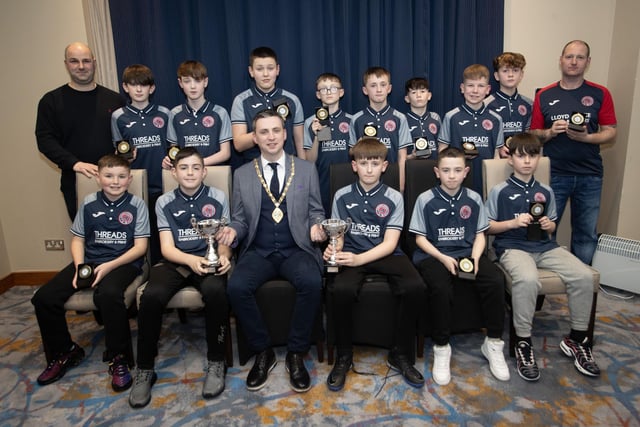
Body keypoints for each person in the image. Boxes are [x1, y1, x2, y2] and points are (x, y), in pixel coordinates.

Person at [217, 109, 326, 393]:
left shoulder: (305, 169)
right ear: (255, 137)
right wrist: (232, 231)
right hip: (259, 250)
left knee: (312, 282)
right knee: (237, 287)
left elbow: (316, 211)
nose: (271, 137)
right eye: (263, 132)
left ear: (285, 133)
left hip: (296, 248)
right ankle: (263, 351)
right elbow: (240, 218)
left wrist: (317, 226)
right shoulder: (242, 174)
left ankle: (295, 353)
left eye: (276, 130)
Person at [486, 133, 600, 382]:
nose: (527, 161)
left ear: (539, 158)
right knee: (527, 279)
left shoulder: (546, 191)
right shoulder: (500, 191)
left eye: (532, 155)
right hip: (513, 247)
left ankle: (577, 339)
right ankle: (523, 342)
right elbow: (488, 227)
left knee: (582, 275)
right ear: (511, 160)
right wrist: (512, 222)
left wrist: (549, 225)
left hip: (546, 247)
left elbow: (552, 224)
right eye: (521, 155)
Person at [31, 154, 149, 391]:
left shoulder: (137, 205)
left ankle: (119, 358)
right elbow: (78, 239)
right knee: (44, 298)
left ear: (129, 179)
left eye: (121, 177)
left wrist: (109, 266)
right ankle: (65, 351)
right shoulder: (88, 202)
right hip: (90, 260)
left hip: (123, 262)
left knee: (108, 294)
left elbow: (140, 247)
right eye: (108, 176)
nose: (115, 182)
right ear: (99, 178)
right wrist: (79, 267)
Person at [129, 147, 232, 408]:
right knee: (151, 296)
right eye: (183, 168)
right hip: (176, 262)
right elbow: (166, 248)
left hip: (207, 260)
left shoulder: (218, 197)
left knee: (216, 292)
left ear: (204, 171)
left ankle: (217, 361)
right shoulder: (163, 201)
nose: (190, 173)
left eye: (195, 168)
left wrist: (223, 255)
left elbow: (224, 238)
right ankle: (144, 368)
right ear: (173, 172)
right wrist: (190, 261)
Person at [325, 137, 425, 391]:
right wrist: (333, 249)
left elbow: (390, 244)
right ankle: (344, 356)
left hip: (386, 254)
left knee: (415, 287)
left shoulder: (393, 197)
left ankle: (400, 353)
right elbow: (337, 236)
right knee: (340, 290)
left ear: (384, 166)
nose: (369, 169)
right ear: (354, 166)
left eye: (374, 163)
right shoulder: (342, 195)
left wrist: (359, 259)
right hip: (353, 252)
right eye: (363, 163)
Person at [408, 147, 508, 386]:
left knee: (495, 279)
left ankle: (493, 343)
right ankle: (442, 347)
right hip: (434, 255)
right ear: (437, 172)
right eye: (446, 170)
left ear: (465, 172)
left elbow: (480, 234)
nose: (451, 176)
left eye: (456, 170)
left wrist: (475, 259)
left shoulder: (473, 198)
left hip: (466, 253)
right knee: (441, 287)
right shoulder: (426, 199)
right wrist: (442, 258)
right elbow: (420, 239)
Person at [530, 40, 617, 265]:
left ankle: (582, 283)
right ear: (561, 60)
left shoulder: (600, 93)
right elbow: (534, 135)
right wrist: (550, 132)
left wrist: (587, 138)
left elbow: (610, 132)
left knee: (586, 235)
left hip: (590, 175)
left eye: (579, 57)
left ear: (587, 62)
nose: (573, 61)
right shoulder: (544, 94)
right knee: (546, 230)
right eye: (569, 57)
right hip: (555, 175)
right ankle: (545, 285)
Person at [36, 42, 125, 220]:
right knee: (85, 240)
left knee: (121, 238)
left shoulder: (114, 100)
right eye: (74, 61)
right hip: (76, 181)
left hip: (114, 181)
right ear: (66, 64)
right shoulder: (51, 101)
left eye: (86, 61)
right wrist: (75, 164)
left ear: (94, 62)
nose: (81, 66)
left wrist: (127, 152)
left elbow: (125, 137)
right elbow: (45, 140)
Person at [111, 64, 170, 265]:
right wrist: (125, 159)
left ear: (151, 88)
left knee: (162, 233)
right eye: (133, 85)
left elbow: (174, 148)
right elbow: (117, 154)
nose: (138, 90)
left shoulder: (164, 114)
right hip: (135, 187)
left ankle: (162, 271)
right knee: (139, 236)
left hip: (162, 184)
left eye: (143, 85)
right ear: (125, 87)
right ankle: (142, 273)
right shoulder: (118, 116)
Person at [230, 46, 305, 169]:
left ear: (277, 70)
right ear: (251, 71)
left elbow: (299, 143)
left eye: (270, 68)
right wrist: (265, 129)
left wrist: (303, 169)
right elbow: (238, 144)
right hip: (253, 167)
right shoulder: (241, 101)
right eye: (259, 69)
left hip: (288, 166)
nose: (265, 74)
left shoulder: (292, 100)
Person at [438, 64, 504, 195]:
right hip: (458, 180)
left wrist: (494, 180)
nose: (475, 91)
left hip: (485, 179)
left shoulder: (496, 119)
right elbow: (442, 149)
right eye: (470, 85)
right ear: (462, 88)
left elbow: (497, 154)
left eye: (480, 86)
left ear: (488, 89)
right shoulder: (451, 116)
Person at [349, 67, 412, 192]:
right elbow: (351, 153)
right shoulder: (356, 119)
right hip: (365, 179)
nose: (378, 90)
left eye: (383, 85)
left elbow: (402, 156)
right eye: (373, 85)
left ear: (389, 88)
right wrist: (359, 145)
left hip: (392, 176)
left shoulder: (399, 118)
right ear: (365, 90)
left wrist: (401, 184)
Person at [162, 60, 232, 169]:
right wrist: (169, 162)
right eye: (187, 81)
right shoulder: (175, 114)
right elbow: (174, 152)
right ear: (180, 83)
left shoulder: (220, 113)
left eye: (197, 81)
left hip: (213, 173)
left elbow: (225, 153)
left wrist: (196, 164)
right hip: (186, 175)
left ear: (205, 82)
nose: (193, 86)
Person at [303, 72, 352, 214]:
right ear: (318, 95)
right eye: (324, 89)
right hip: (321, 183)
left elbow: (355, 156)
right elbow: (309, 160)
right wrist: (317, 136)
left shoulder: (352, 120)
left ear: (341, 92)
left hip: (347, 180)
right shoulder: (310, 122)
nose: (329, 92)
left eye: (333, 88)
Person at [484, 52, 532, 157]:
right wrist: (498, 148)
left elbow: (530, 135)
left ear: (521, 75)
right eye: (505, 71)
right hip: (495, 159)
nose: (510, 75)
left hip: (522, 158)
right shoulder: (486, 104)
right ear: (497, 76)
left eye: (515, 70)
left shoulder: (529, 104)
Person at [403, 77, 441, 160]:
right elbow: (398, 155)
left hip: (434, 168)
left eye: (422, 91)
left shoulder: (435, 118)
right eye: (413, 92)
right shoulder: (402, 120)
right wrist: (412, 156)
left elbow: (442, 147)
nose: (418, 95)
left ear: (429, 96)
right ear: (407, 99)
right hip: (411, 170)